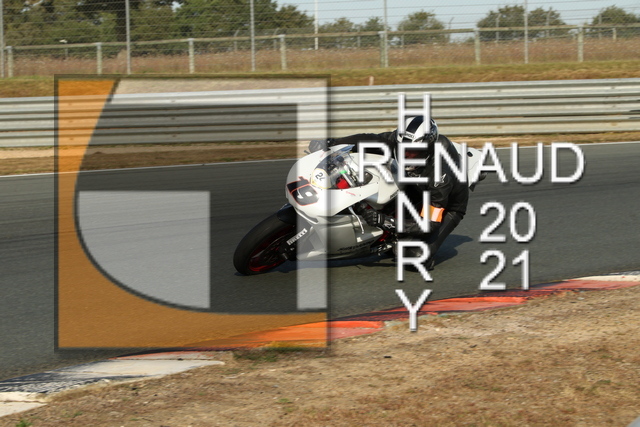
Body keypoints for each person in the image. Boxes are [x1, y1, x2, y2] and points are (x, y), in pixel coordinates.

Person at [308, 116, 469, 270]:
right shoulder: (402, 139)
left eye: (412, 151)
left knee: (413, 256)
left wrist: (385, 221)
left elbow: (429, 224)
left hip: (446, 206)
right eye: (403, 148)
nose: (405, 155)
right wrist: (332, 142)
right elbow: (372, 139)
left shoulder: (440, 176)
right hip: (415, 186)